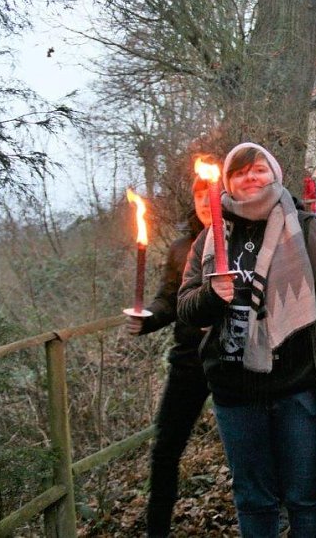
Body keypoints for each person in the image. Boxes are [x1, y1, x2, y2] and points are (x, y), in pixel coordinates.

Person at [178, 143, 316, 537]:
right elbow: (186, 308)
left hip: (298, 388)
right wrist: (211, 296)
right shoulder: (210, 238)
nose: (250, 177)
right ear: (227, 183)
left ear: (274, 174)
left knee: (305, 495)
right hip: (235, 393)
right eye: (239, 173)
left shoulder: (306, 228)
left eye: (258, 169)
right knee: (254, 500)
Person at [124, 177, 211, 538]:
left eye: (212, 195)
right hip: (189, 359)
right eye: (199, 196)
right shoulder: (181, 248)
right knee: (165, 449)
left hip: (236, 360)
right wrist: (147, 320)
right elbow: (168, 300)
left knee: (251, 447)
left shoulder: (244, 239)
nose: (206, 202)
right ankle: (157, 529)